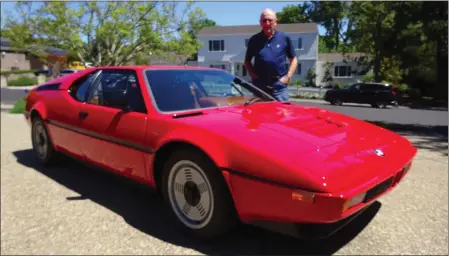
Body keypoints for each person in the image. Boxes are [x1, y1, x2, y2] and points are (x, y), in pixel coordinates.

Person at [244, 8, 298, 102]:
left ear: (276, 22)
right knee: (259, 114)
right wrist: (254, 77)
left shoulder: (284, 38)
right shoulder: (254, 40)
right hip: (260, 86)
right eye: (264, 20)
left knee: (282, 113)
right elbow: (247, 61)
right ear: (260, 23)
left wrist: (287, 77)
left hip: (279, 86)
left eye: (270, 20)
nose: (267, 23)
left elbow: (293, 59)